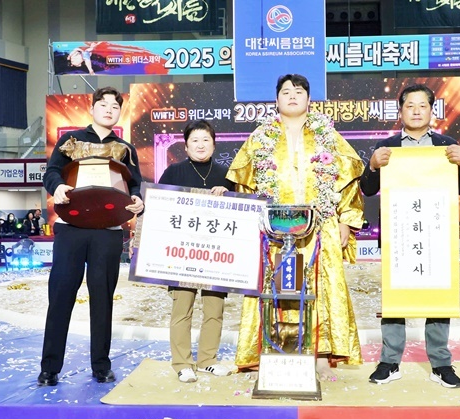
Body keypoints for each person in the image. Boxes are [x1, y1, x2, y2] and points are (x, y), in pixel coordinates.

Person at [227, 74, 365, 381]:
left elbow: (348, 181)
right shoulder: (260, 137)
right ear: (276, 100)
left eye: (298, 91)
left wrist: (346, 220)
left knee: (322, 287)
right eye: (286, 91)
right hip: (273, 231)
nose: (292, 96)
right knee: (274, 286)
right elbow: (245, 185)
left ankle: (321, 354)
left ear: (309, 99)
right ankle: (272, 351)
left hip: (321, 226)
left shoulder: (328, 135)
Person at [359, 83, 460, 388]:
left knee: (439, 297)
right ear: (401, 111)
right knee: (395, 297)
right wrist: (372, 166)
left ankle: (441, 364)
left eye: (423, 105)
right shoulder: (387, 146)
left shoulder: (447, 144)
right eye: (410, 106)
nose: (417, 111)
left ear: (432, 111)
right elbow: (367, 189)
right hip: (399, 235)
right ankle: (389, 362)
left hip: (437, 235)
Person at [38, 86, 144, 387]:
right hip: (71, 228)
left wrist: (138, 200)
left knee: (103, 299)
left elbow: (134, 185)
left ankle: (101, 365)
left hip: (108, 232)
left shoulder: (125, 148)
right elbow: (51, 173)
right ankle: (49, 368)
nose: (109, 109)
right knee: (60, 296)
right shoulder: (70, 141)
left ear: (119, 112)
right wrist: (57, 186)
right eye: (104, 104)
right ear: (93, 108)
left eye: (115, 106)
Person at [158, 119, 235, 383]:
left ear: (213, 144)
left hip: (216, 253)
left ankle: (207, 360)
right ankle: (182, 363)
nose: (200, 145)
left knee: (214, 309)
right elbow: (159, 207)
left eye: (205, 140)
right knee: (182, 308)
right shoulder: (173, 172)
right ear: (186, 145)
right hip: (183, 253)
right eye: (195, 140)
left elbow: (241, 212)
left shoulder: (227, 175)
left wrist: (229, 192)